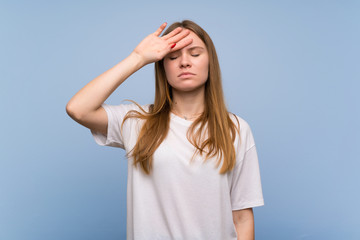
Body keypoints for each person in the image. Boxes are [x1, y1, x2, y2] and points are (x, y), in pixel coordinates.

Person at [66, 20, 264, 240]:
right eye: (173, 56)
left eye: (195, 54)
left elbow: (242, 217)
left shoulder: (236, 129)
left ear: (210, 63)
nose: (185, 62)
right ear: (162, 66)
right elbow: (78, 109)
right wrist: (138, 58)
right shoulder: (138, 121)